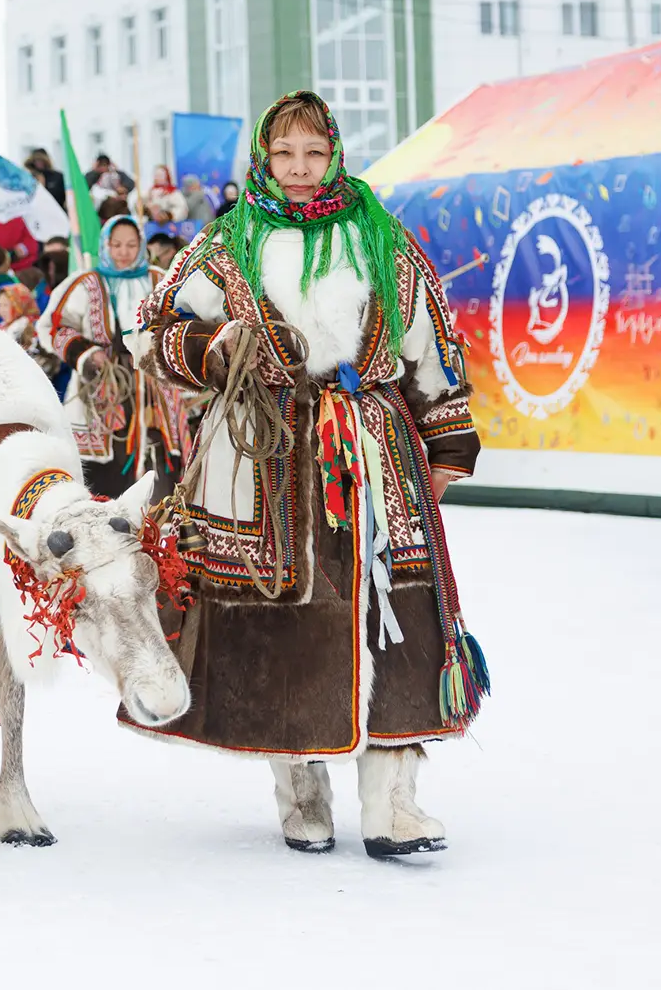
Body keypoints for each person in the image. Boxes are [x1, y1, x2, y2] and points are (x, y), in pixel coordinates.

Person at [132, 90, 485, 856]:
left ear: (335, 155)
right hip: (264, 453)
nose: (298, 169)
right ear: (264, 156)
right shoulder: (227, 243)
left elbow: (431, 340)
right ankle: (301, 791)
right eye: (284, 154)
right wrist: (221, 347)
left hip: (371, 453)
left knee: (396, 615)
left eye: (312, 154)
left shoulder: (382, 239)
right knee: (283, 614)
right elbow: (158, 332)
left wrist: (446, 445)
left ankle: (393, 802)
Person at [36, 215, 188, 496]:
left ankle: (158, 525)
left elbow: (184, 319)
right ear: (105, 245)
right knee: (105, 468)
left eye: (131, 244)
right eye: (116, 244)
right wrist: (88, 354)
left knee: (160, 455)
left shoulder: (160, 279)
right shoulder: (85, 282)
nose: (124, 252)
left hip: (155, 387)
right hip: (102, 387)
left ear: (142, 245)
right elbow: (53, 326)